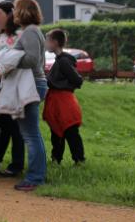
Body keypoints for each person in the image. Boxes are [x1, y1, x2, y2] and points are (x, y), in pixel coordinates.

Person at [11, 0, 47, 192]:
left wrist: (11, 59)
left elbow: (32, 59)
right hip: (35, 83)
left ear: (23, 11)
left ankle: (35, 177)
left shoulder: (30, 32)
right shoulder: (33, 31)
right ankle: (37, 175)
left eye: (16, 9)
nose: (14, 13)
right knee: (32, 133)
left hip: (30, 84)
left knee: (30, 134)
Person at [0, 1, 25, 177]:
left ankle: (17, 164)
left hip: (12, 85)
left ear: (10, 14)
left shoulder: (18, 36)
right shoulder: (1, 35)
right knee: (2, 124)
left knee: (15, 127)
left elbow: (15, 59)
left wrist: (1, 72)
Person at [43, 29, 85, 165]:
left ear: (55, 42)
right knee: (56, 132)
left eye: (47, 41)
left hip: (64, 102)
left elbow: (77, 80)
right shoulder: (59, 61)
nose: (46, 44)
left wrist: (62, 85)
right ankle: (56, 159)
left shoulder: (64, 62)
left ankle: (79, 159)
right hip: (57, 101)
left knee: (70, 132)